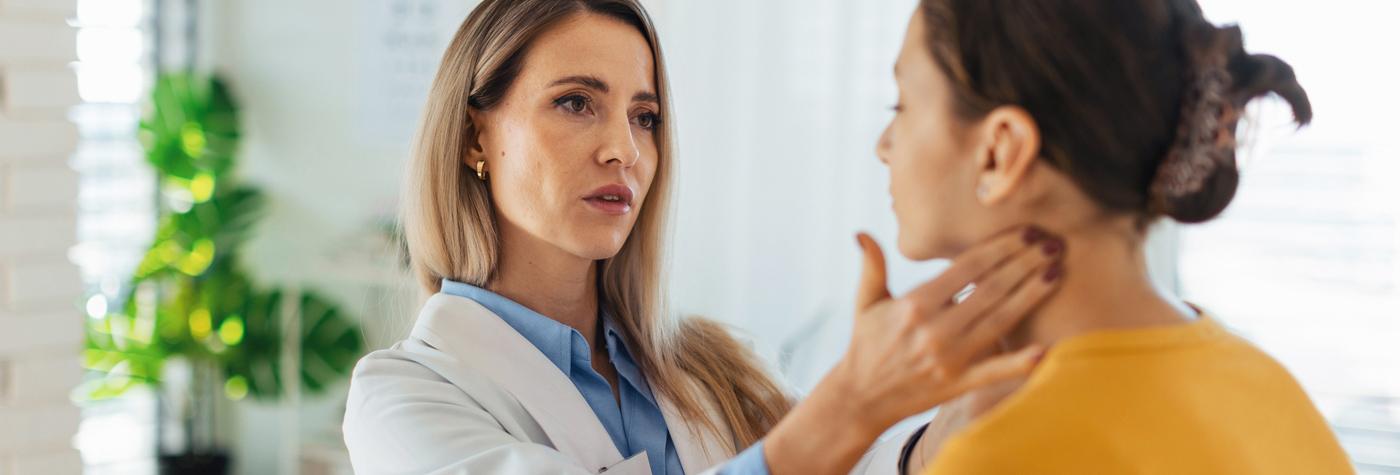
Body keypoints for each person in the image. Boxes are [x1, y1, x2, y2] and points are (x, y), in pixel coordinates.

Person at [342, 1, 1064, 474]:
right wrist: (855, 398)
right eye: (575, 103)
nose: (623, 148)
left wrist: (975, 395)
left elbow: (855, 465)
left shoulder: (713, 364)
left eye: (645, 115)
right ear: (475, 134)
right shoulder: (403, 398)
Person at [872, 0, 1354, 473]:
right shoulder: (1269, 390)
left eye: (903, 105)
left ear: (1000, 151)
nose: (883, 146)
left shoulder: (1006, 451)